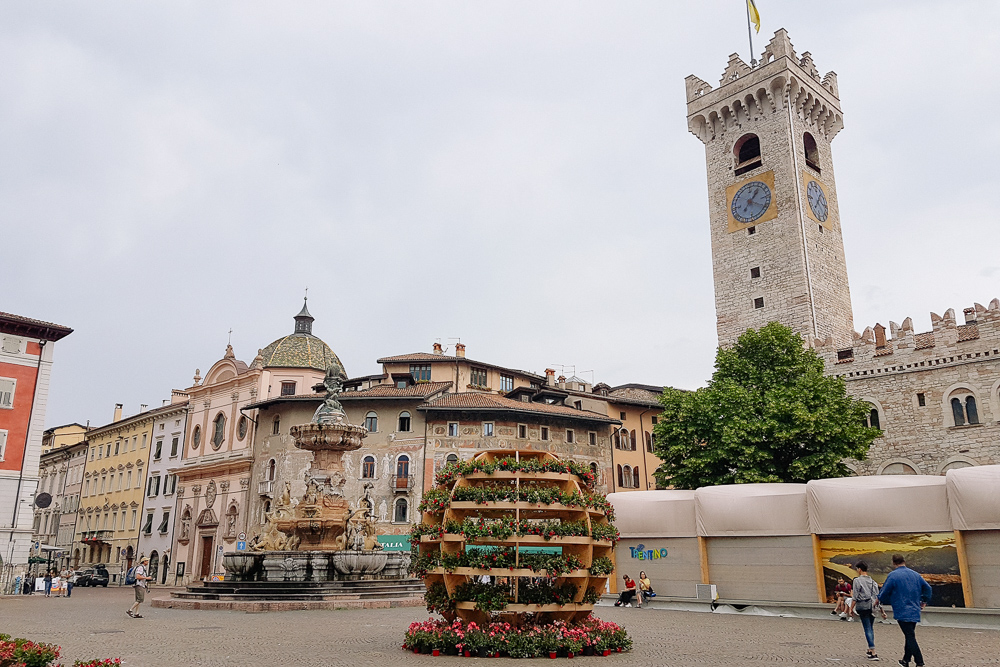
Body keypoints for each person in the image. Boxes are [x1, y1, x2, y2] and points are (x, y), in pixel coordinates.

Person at [878, 554, 932, 667]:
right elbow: (928, 588)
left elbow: (885, 591)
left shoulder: (893, 575)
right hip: (915, 609)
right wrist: (924, 601)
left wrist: (879, 599)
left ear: (893, 563)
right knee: (909, 634)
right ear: (904, 561)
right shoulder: (915, 574)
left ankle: (919, 662)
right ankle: (905, 660)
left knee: (910, 636)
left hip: (902, 609)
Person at [852, 561, 882, 661]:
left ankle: (873, 651)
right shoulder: (873, 581)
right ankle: (869, 650)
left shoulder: (857, 580)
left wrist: (851, 608)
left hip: (863, 606)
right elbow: (877, 596)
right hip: (873, 606)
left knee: (867, 628)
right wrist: (881, 609)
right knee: (870, 627)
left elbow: (855, 596)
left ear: (859, 569)